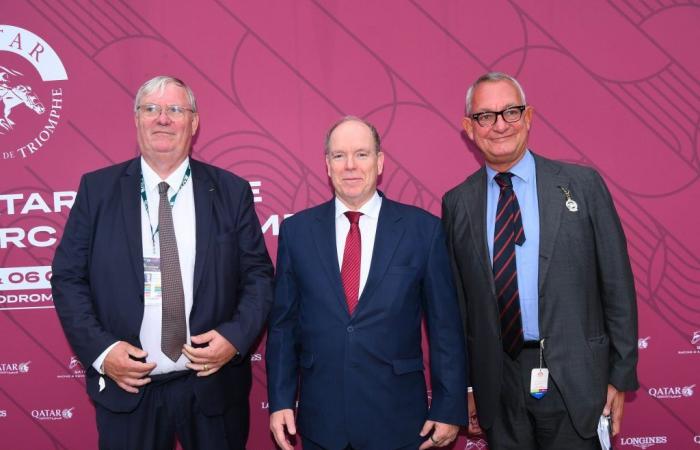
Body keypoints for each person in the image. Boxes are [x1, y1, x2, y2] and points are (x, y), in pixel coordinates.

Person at [51, 75, 274, 450]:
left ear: (194, 121)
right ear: (136, 119)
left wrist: (234, 339)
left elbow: (258, 277)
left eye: (174, 109)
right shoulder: (98, 190)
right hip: (128, 388)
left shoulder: (231, 191)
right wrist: (104, 353)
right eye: (151, 109)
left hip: (212, 387)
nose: (163, 119)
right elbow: (67, 278)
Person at [442, 72, 639, 449]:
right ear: (469, 128)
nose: (499, 125)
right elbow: (458, 310)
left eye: (510, 112)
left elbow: (616, 284)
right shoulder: (457, 204)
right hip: (498, 386)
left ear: (529, 117)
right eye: (485, 116)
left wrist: (621, 374)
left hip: (577, 377)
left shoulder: (582, 185)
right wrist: (466, 386)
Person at [266, 116, 467, 450]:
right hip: (322, 423)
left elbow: (445, 327)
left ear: (380, 161)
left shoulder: (423, 230)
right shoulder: (297, 232)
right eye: (339, 156)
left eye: (361, 154)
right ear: (327, 165)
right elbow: (283, 327)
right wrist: (281, 401)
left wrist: (448, 407)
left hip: (400, 422)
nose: (350, 166)